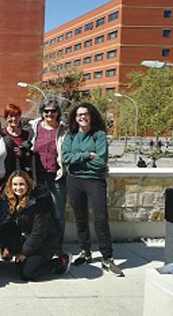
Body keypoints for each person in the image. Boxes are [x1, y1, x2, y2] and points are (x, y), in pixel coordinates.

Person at [62, 102, 124, 276]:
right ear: (75, 118)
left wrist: (79, 160)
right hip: (74, 181)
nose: (82, 117)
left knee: (100, 218)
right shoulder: (70, 136)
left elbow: (100, 162)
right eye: (79, 115)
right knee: (80, 218)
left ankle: (107, 257)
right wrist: (87, 155)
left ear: (91, 116)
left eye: (85, 114)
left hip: (95, 181)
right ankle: (85, 252)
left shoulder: (99, 135)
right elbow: (66, 158)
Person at [0, 170, 71, 281]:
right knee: (18, 266)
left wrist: (24, 253)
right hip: (28, 237)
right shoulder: (14, 200)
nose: (18, 188)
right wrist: (4, 246)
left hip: (45, 243)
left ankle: (61, 261)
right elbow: (8, 223)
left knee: (28, 274)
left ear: (28, 184)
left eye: (21, 184)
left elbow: (39, 234)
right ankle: (26, 259)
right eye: (15, 185)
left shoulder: (39, 202)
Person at [28, 99, 68, 252]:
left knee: (57, 213)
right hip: (37, 177)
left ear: (58, 112)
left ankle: (57, 246)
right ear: (42, 113)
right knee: (36, 212)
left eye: (52, 111)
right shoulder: (34, 127)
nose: (49, 114)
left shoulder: (63, 130)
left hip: (56, 176)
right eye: (46, 111)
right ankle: (37, 245)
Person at [1, 104, 32, 177]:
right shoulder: (1, 134)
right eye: (11, 116)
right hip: (5, 174)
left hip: (22, 174)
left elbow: (31, 154)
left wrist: (22, 154)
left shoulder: (26, 135)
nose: (14, 119)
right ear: (6, 117)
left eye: (16, 116)